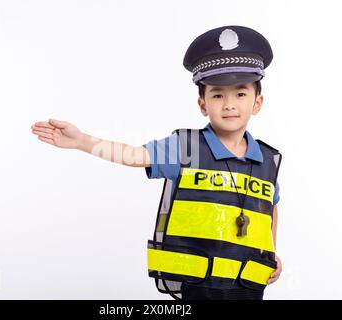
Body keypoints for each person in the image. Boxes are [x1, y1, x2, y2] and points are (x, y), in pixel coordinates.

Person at [31, 25, 282, 300]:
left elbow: (270, 207)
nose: (229, 104)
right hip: (198, 287)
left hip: (247, 287)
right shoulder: (186, 148)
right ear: (203, 104)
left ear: (257, 103)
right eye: (218, 95)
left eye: (240, 94)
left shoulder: (267, 159)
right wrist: (82, 141)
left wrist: (271, 253)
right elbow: (133, 155)